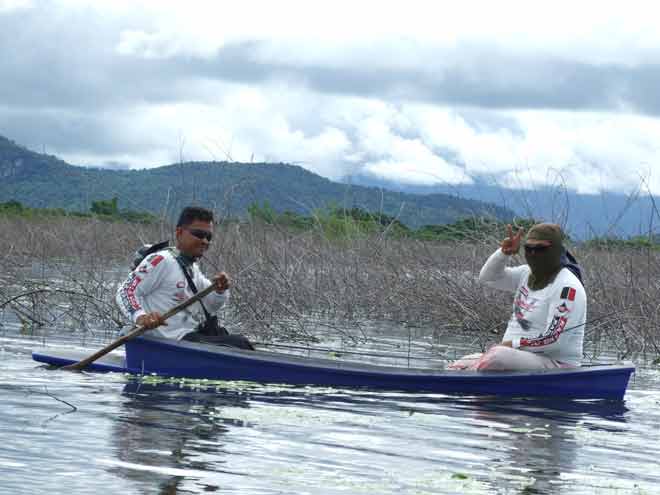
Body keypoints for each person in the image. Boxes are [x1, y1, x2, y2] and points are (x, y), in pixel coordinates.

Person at [449, 223, 586, 371]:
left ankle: (471, 382)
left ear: (556, 250)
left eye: (540, 249)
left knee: (496, 356)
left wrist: (511, 344)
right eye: (529, 248)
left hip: (557, 364)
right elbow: (487, 278)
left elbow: (555, 340)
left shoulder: (567, 287)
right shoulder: (525, 274)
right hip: (516, 357)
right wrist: (503, 254)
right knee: (460, 364)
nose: (533, 254)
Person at [116, 206, 254, 350]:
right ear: (179, 232)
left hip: (188, 338)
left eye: (209, 237)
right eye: (199, 234)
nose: (205, 241)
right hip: (171, 342)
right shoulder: (161, 260)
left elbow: (211, 305)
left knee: (236, 340)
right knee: (239, 344)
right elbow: (125, 291)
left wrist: (220, 290)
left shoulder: (192, 268)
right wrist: (141, 317)